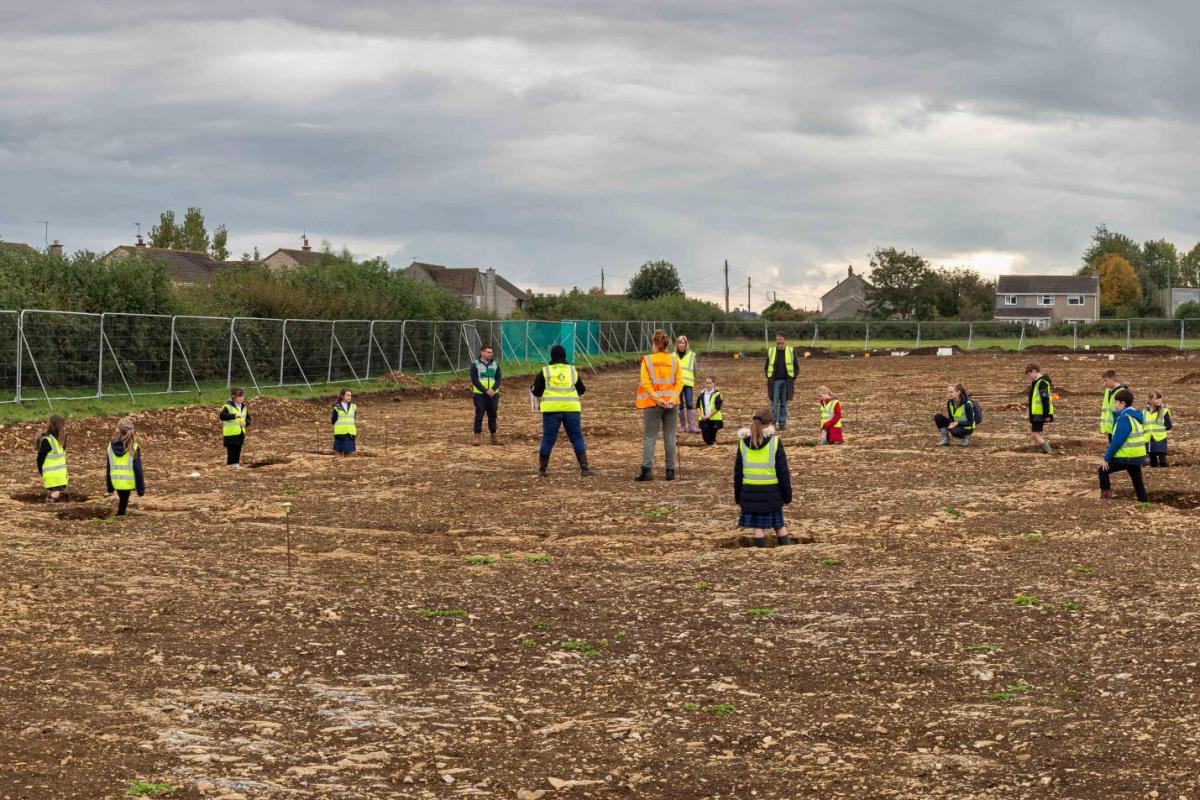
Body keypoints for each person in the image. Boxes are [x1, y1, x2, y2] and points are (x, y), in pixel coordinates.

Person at [531, 344, 594, 477]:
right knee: (576, 438)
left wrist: (534, 388)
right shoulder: (572, 371)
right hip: (571, 409)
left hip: (551, 410)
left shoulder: (545, 371)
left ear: (551, 356)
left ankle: (542, 470)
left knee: (548, 439)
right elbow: (582, 389)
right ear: (565, 356)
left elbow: (536, 391)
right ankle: (585, 468)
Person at [734, 408, 792, 547]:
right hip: (772, 494)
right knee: (779, 526)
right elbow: (783, 473)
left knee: (757, 527)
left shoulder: (742, 443)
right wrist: (787, 495)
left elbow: (738, 473)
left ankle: (760, 552)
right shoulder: (776, 442)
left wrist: (738, 496)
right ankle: (787, 550)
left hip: (750, 493)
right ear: (771, 422)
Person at [635, 329, 684, 481]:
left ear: (655, 343)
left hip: (653, 404)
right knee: (670, 437)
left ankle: (647, 471)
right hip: (672, 404)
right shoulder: (674, 360)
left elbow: (646, 382)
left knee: (650, 437)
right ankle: (670, 472)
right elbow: (679, 382)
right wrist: (671, 398)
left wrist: (658, 399)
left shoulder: (647, 360)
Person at [1098, 388, 1148, 502]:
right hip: (1138, 456)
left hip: (1127, 456)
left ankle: (1105, 500)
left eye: (1116, 402)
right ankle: (1144, 503)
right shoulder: (1135, 416)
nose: (1115, 405)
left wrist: (1106, 458)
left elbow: (1116, 442)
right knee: (1137, 481)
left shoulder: (1124, 418)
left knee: (1103, 470)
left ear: (1123, 403)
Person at [105, 417, 145, 517]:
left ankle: (120, 513)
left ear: (118, 429)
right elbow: (137, 469)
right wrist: (140, 488)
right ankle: (120, 514)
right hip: (128, 483)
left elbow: (109, 468)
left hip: (116, 482)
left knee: (123, 499)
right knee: (123, 501)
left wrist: (109, 486)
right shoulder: (134, 447)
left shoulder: (110, 446)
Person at [764, 332, 798, 430]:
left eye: (780, 339)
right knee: (774, 404)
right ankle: (773, 423)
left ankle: (782, 423)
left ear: (784, 340)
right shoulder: (771, 351)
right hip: (774, 382)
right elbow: (766, 366)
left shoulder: (791, 351)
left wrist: (793, 377)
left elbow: (796, 366)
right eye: (777, 339)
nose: (779, 341)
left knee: (784, 403)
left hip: (786, 382)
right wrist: (768, 375)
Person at [470, 344, 501, 445]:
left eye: (491, 352)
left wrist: (492, 389)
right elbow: (474, 380)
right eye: (488, 352)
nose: (490, 354)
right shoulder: (475, 364)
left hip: (493, 394)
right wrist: (485, 390)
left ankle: (493, 436)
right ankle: (477, 436)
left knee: (493, 415)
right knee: (479, 414)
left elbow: (498, 379)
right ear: (482, 352)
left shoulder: (495, 364)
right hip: (480, 394)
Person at [36, 415, 69, 502]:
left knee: (54, 490)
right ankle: (50, 500)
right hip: (61, 474)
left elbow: (40, 458)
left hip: (49, 474)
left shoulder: (46, 440)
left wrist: (41, 470)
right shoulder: (63, 439)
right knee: (56, 492)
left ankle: (49, 500)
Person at [1026, 364, 1054, 454]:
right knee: (1037, 432)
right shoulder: (1037, 382)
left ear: (1034, 371)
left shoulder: (1041, 383)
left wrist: (1046, 414)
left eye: (1029, 375)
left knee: (1035, 433)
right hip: (1037, 412)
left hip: (1040, 413)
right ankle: (1032, 450)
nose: (1029, 377)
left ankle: (1049, 451)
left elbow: (1045, 399)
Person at [220, 388, 250, 468]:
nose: (241, 398)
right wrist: (234, 416)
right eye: (239, 396)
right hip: (230, 433)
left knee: (238, 449)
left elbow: (248, 418)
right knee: (231, 450)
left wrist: (246, 423)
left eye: (242, 396)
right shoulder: (227, 406)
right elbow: (222, 416)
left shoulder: (244, 407)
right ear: (233, 397)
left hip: (240, 433)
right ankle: (230, 465)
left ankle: (236, 465)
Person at [675, 335, 700, 434]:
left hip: (688, 383)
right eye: (679, 342)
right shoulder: (673, 355)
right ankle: (682, 426)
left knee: (689, 404)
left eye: (682, 342)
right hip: (677, 384)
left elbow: (695, 370)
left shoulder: (692, 355)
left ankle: (692, 426)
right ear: (677, 344)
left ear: (686, 344)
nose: (681, 344)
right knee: (680, 405)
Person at [1144, 389, 1173, 468]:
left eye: (1160, 398)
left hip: (1160, 438)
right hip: (1149, 438)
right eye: (1156, 398)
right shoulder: (1144, 412)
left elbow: (1169, 425)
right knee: (1152, 460)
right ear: (1150, 400)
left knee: (1162, 459)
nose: (1159, 400)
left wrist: (1160, 428)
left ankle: (1164, 474)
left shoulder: (1164, 411)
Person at [1100, 369, 1127, 442]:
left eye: (1106, 380)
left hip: (1118, 428)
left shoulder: (1122, 391)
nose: (1104, 383)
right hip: (1110, 428)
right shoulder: (1108, 390)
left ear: (1112, 379)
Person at [697, 376, 724, 446]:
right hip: (704, 418)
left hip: (714, 419)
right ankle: (713, 445)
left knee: (712, 436)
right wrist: (702, 416)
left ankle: (714, 448)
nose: (708, 385)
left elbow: (717, 407)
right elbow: (697, 406)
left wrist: (708, 416)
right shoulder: (701, 394)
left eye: (710, 383)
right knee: (705, 437)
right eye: (706, 383)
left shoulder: (717, 394)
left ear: (713, 383)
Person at [331, 388, 357, 456]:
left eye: (350, 395)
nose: (349, 397)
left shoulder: (353, 407)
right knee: (338, 453)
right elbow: (333, 420)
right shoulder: (337, 407)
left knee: (349, 454)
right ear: (342, 396)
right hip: (340, 433)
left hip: (350, 433)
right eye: (347, 395)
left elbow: (354, 419)